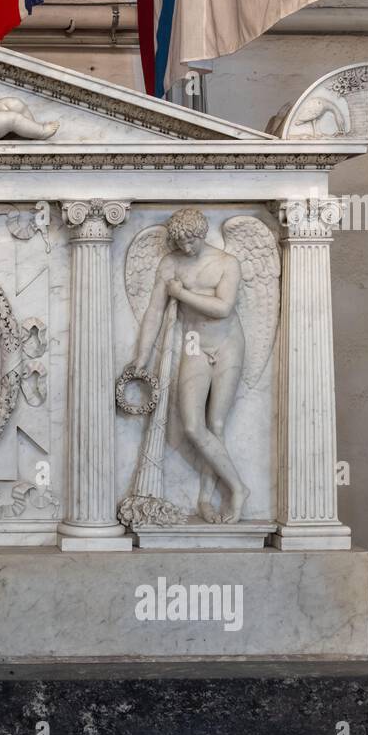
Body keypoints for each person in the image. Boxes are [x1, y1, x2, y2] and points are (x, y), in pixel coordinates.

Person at [131, 208, 249, 523]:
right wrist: (141, 358)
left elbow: (223, 308)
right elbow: (154, 312)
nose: (186, 248)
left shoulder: (226, 263)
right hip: (194, 343)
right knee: (193, 426)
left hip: (227, 345)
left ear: (202, 233)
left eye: (191, 241)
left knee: (217, 425)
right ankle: (238, 487)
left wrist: (181, 294)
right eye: (180, 243)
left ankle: (208, 499)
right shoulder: (170, 263)